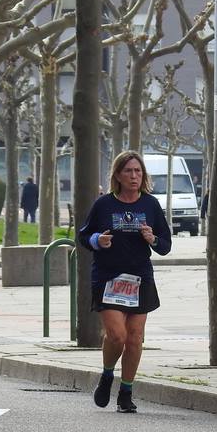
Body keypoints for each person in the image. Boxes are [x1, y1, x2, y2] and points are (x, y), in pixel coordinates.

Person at [78, 151, 172, 414]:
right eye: (129, 171)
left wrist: (153, 239)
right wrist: (99, 240)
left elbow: (165, 245)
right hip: (108, 276)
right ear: (118, 175)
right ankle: (108, 375)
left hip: (139, 277)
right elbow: (83, 237)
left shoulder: (151, 205)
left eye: (138, 171)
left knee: (135, 338)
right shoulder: (104, 205)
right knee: (117, 335)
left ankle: (126, 392)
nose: (134, 176)